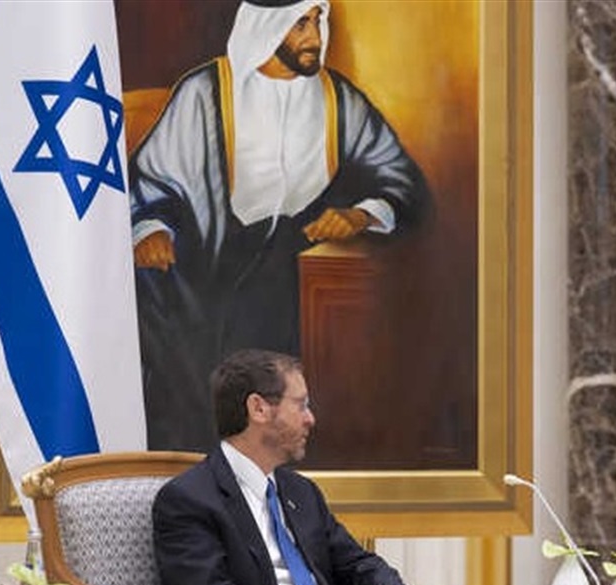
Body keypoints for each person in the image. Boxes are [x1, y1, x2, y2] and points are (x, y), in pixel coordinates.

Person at [129, 0, 429, 451]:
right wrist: (150, 228)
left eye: (318, 21)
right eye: (300, 24)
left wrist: (360, 214)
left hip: (287, 260)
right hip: (201, 260)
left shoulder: (338, 100)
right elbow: (151, 182)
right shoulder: (206, 92)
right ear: (267, 26)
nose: (314, 38)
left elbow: (401, 179)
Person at [152, 349, 460, 585]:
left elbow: (355, 563)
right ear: (258, 408)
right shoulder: (189, 499)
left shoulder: (302, 492)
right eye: (301, 405)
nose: (310, 419)